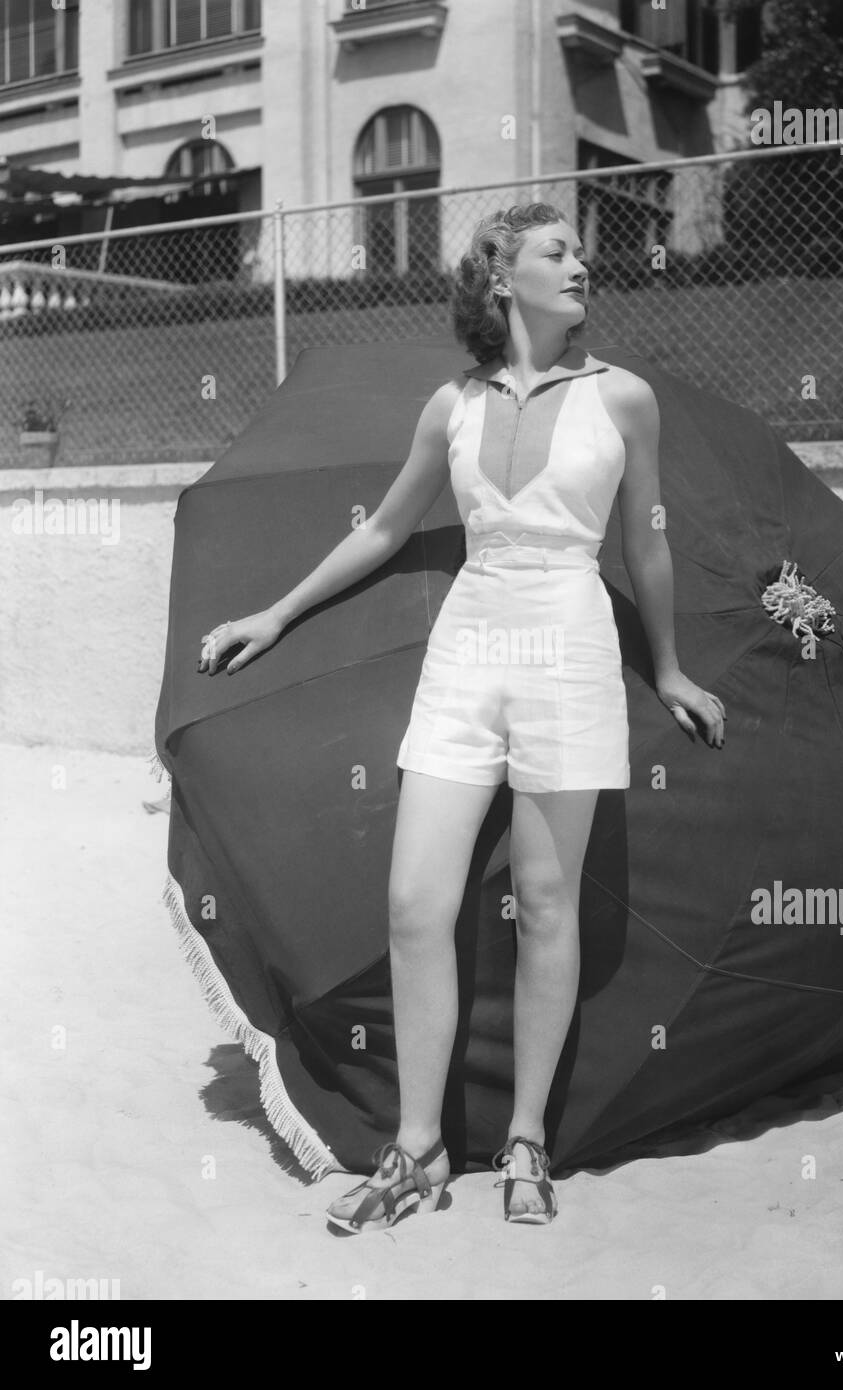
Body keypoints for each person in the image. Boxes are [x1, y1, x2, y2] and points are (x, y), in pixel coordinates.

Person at [197, 203, 726, 1231]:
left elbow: (647, 544)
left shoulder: (625, 399)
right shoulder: (453, 405)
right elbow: (387, 529)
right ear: (500, 281)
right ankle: (419, 1146)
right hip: (467, 652)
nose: (584, 261)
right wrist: (275, 611)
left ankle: (527, 1136)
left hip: (570, 652)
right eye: (557, 251)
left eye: (581, 247)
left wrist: (665, 668)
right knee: (413, 901)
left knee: (546, 902)